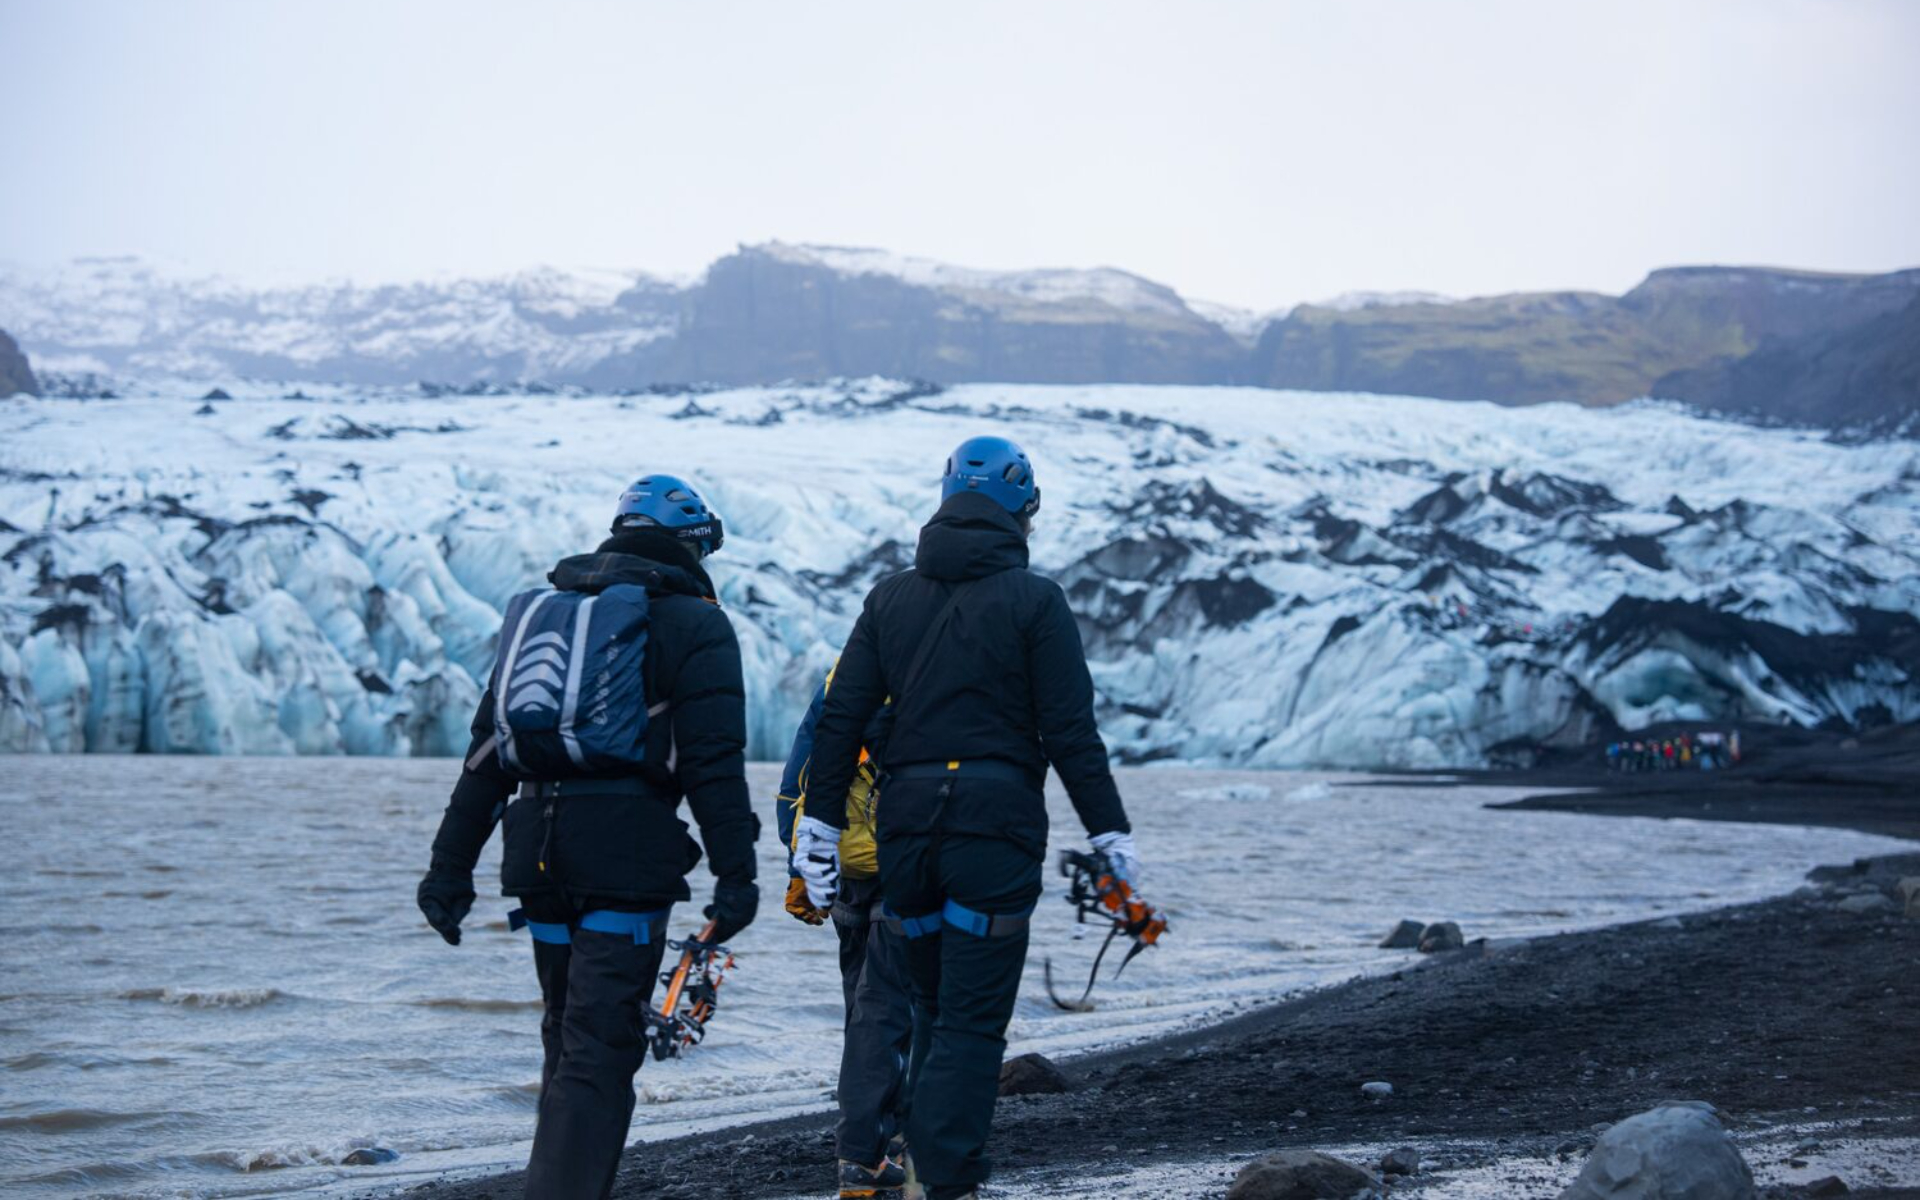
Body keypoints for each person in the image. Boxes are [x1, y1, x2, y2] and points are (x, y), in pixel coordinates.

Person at [794, 435, 1140, 1200]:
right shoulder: (1036, 600)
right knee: (970, 1023)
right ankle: (945, 1182)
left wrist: (816, 830)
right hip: (995, 828)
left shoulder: (889, 598)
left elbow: (841, 718)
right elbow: (1070, 732)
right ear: (1026, 510)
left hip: (907, 832)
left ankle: (919, 1166)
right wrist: (1108, 832)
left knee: (930, 1007)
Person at [415, 475, 761, 1200]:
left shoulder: (552, 620)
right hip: (623, 859)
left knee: (566, 1035)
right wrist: (737, 876)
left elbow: (486, 758)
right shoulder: (694, 623)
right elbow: (713, 764)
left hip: (535, 852)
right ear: (694, 546)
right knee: (599, 1052)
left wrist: (448, 872)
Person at [775, 667, 922, 1197]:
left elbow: (798, 775)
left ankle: (885, 1141)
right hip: (907, 863)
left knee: (865, 1011)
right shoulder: (934, 670)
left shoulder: (845, 676)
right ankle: (865, 1153)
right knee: (888, 1008)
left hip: (840, 866)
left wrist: (799, 865)